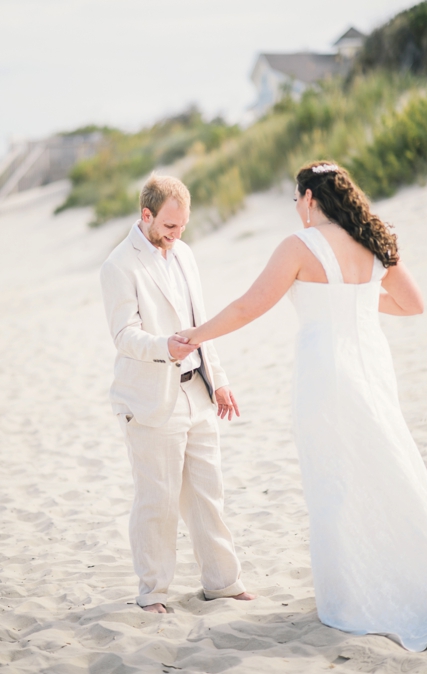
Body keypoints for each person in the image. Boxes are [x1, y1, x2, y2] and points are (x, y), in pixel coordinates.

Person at [179, 161, 427, 651]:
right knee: (389, 467)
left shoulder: (299, 246)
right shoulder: (372, 236)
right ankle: (419, 576)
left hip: (325, 374)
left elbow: (247, 306)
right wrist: (359, 296)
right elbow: (413, 304)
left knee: (335, 481)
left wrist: (195, 337)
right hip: (373, 370)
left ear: (307, 198)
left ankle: (352, 597)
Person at [99, 174, 254, 613]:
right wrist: (164, 347)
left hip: (198, 393)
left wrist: (219, 379)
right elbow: (124, 336)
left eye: (182, 225)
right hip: (150, 401)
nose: (176, 234)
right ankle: (153, 593)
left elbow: (201, 322)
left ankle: (223, 583)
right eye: (169, 226)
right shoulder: (118, 265)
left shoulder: (184, 253)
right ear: (145, 215)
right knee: (158, 502)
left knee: (209, 493)